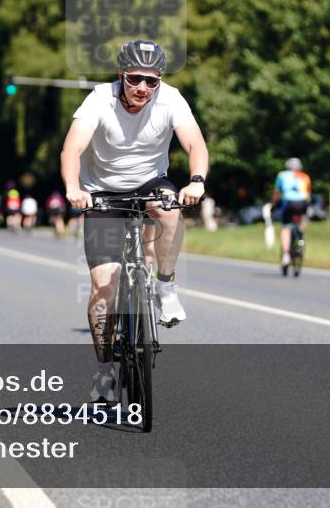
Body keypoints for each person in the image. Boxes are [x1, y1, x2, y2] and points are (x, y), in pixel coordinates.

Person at [61, 39, 209, 402]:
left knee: (170, 208)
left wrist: (196, 180)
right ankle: (106, 368)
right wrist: (72, 188)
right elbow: (73, 148)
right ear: (120, 76)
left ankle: (165, 285)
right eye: (135, 79)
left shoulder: (171, 99)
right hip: (102, 192)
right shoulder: (99, 99)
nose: (143, 88)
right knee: (102, 290)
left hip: (150, 183)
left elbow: (195, 144)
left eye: (151, 80)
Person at [271, 157, 311, 268]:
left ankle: (286, 254)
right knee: (303, 219)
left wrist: (273, 205)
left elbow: (276, 193)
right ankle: (300, 235)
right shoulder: (305, 176)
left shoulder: (282, 175)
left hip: (289, 203)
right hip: (303, 203)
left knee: (286, 227)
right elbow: (308, 194)